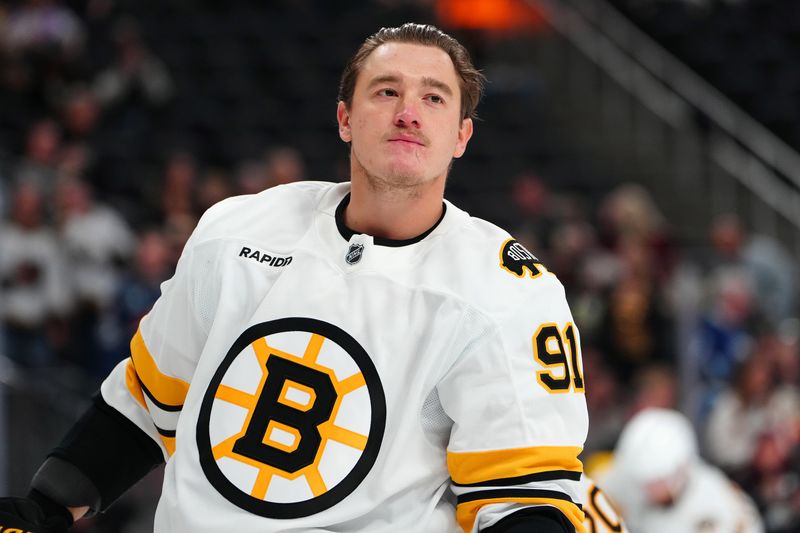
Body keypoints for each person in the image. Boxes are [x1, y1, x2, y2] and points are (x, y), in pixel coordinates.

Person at [0, 23, 588, 532]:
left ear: (462, 135)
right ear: (344, 120)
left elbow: (526, 502)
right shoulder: (237, 232)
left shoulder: (510, 294)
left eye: (434, 98)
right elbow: (147, 401)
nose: (408, 110)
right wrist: (43, 508)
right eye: (386, 91)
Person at [599, 408, 764, 533]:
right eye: (640, 480)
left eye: (654, 481)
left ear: (681, 471)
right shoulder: (627, 476)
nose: (645, 489)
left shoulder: (720, 511)